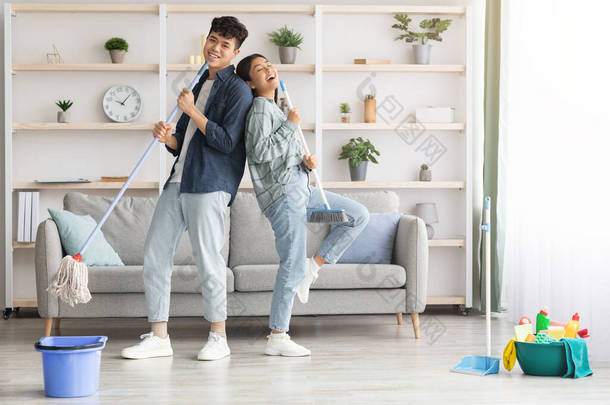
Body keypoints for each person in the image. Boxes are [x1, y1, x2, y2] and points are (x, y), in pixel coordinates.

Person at [121, 16, 253, 361]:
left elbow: (226, 142)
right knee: (154, 257)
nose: (216, 48)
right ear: (205, 41)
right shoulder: (195, 83)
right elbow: (183, 143)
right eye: (213, 40)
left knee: (208, 261)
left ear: (235, 52)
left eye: (225, 45)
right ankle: (159, 336)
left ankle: (218, 337)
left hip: (210, 184)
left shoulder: (238, 89)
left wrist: (192, 111)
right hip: (178, 180)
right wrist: (168, 137)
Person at [236, 54, 370, 357]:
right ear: (249, 83)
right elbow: (259, 153)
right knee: (290, 264)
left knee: (356, 216)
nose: (268, 69)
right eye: (259, 69)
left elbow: (282, 160)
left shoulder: (275, 108)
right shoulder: (259, 110)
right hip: (284, 199)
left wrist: (306, 164)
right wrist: (291, 126)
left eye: (268, 64)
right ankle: (277, 337)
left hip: (303, 192)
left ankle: (314, 267)